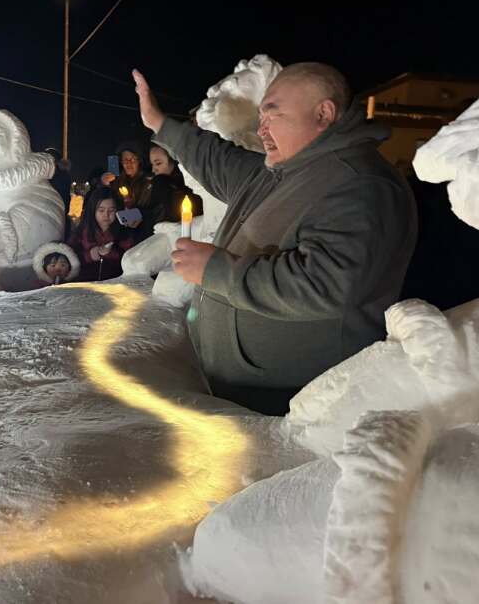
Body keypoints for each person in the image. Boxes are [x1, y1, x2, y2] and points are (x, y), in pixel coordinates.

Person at [132, 63, 418, 415]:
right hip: (246, 391)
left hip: (295, 406)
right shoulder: (280, 171)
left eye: (272, 114)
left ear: (323, 114)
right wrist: (160, 123)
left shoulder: (360, 184)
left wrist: (216, 270)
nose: (260, 127)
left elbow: (325, 284)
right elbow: (216, 159)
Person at [69, 186, 136, 282]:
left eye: (111, 210)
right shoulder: (82, 232)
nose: (106, 215)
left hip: (115, 284)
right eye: (101, 210)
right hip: (85, 283)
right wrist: (91, 254)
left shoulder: (124, 232)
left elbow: (131, 258)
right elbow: (69, 258)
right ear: (93, 211)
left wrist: (112, 253)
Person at [144, 144, 203, 231]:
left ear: (174, 160)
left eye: (158, 163)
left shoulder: (191, 183)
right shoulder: (155, 183)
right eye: (152, 164)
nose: (154, 170)